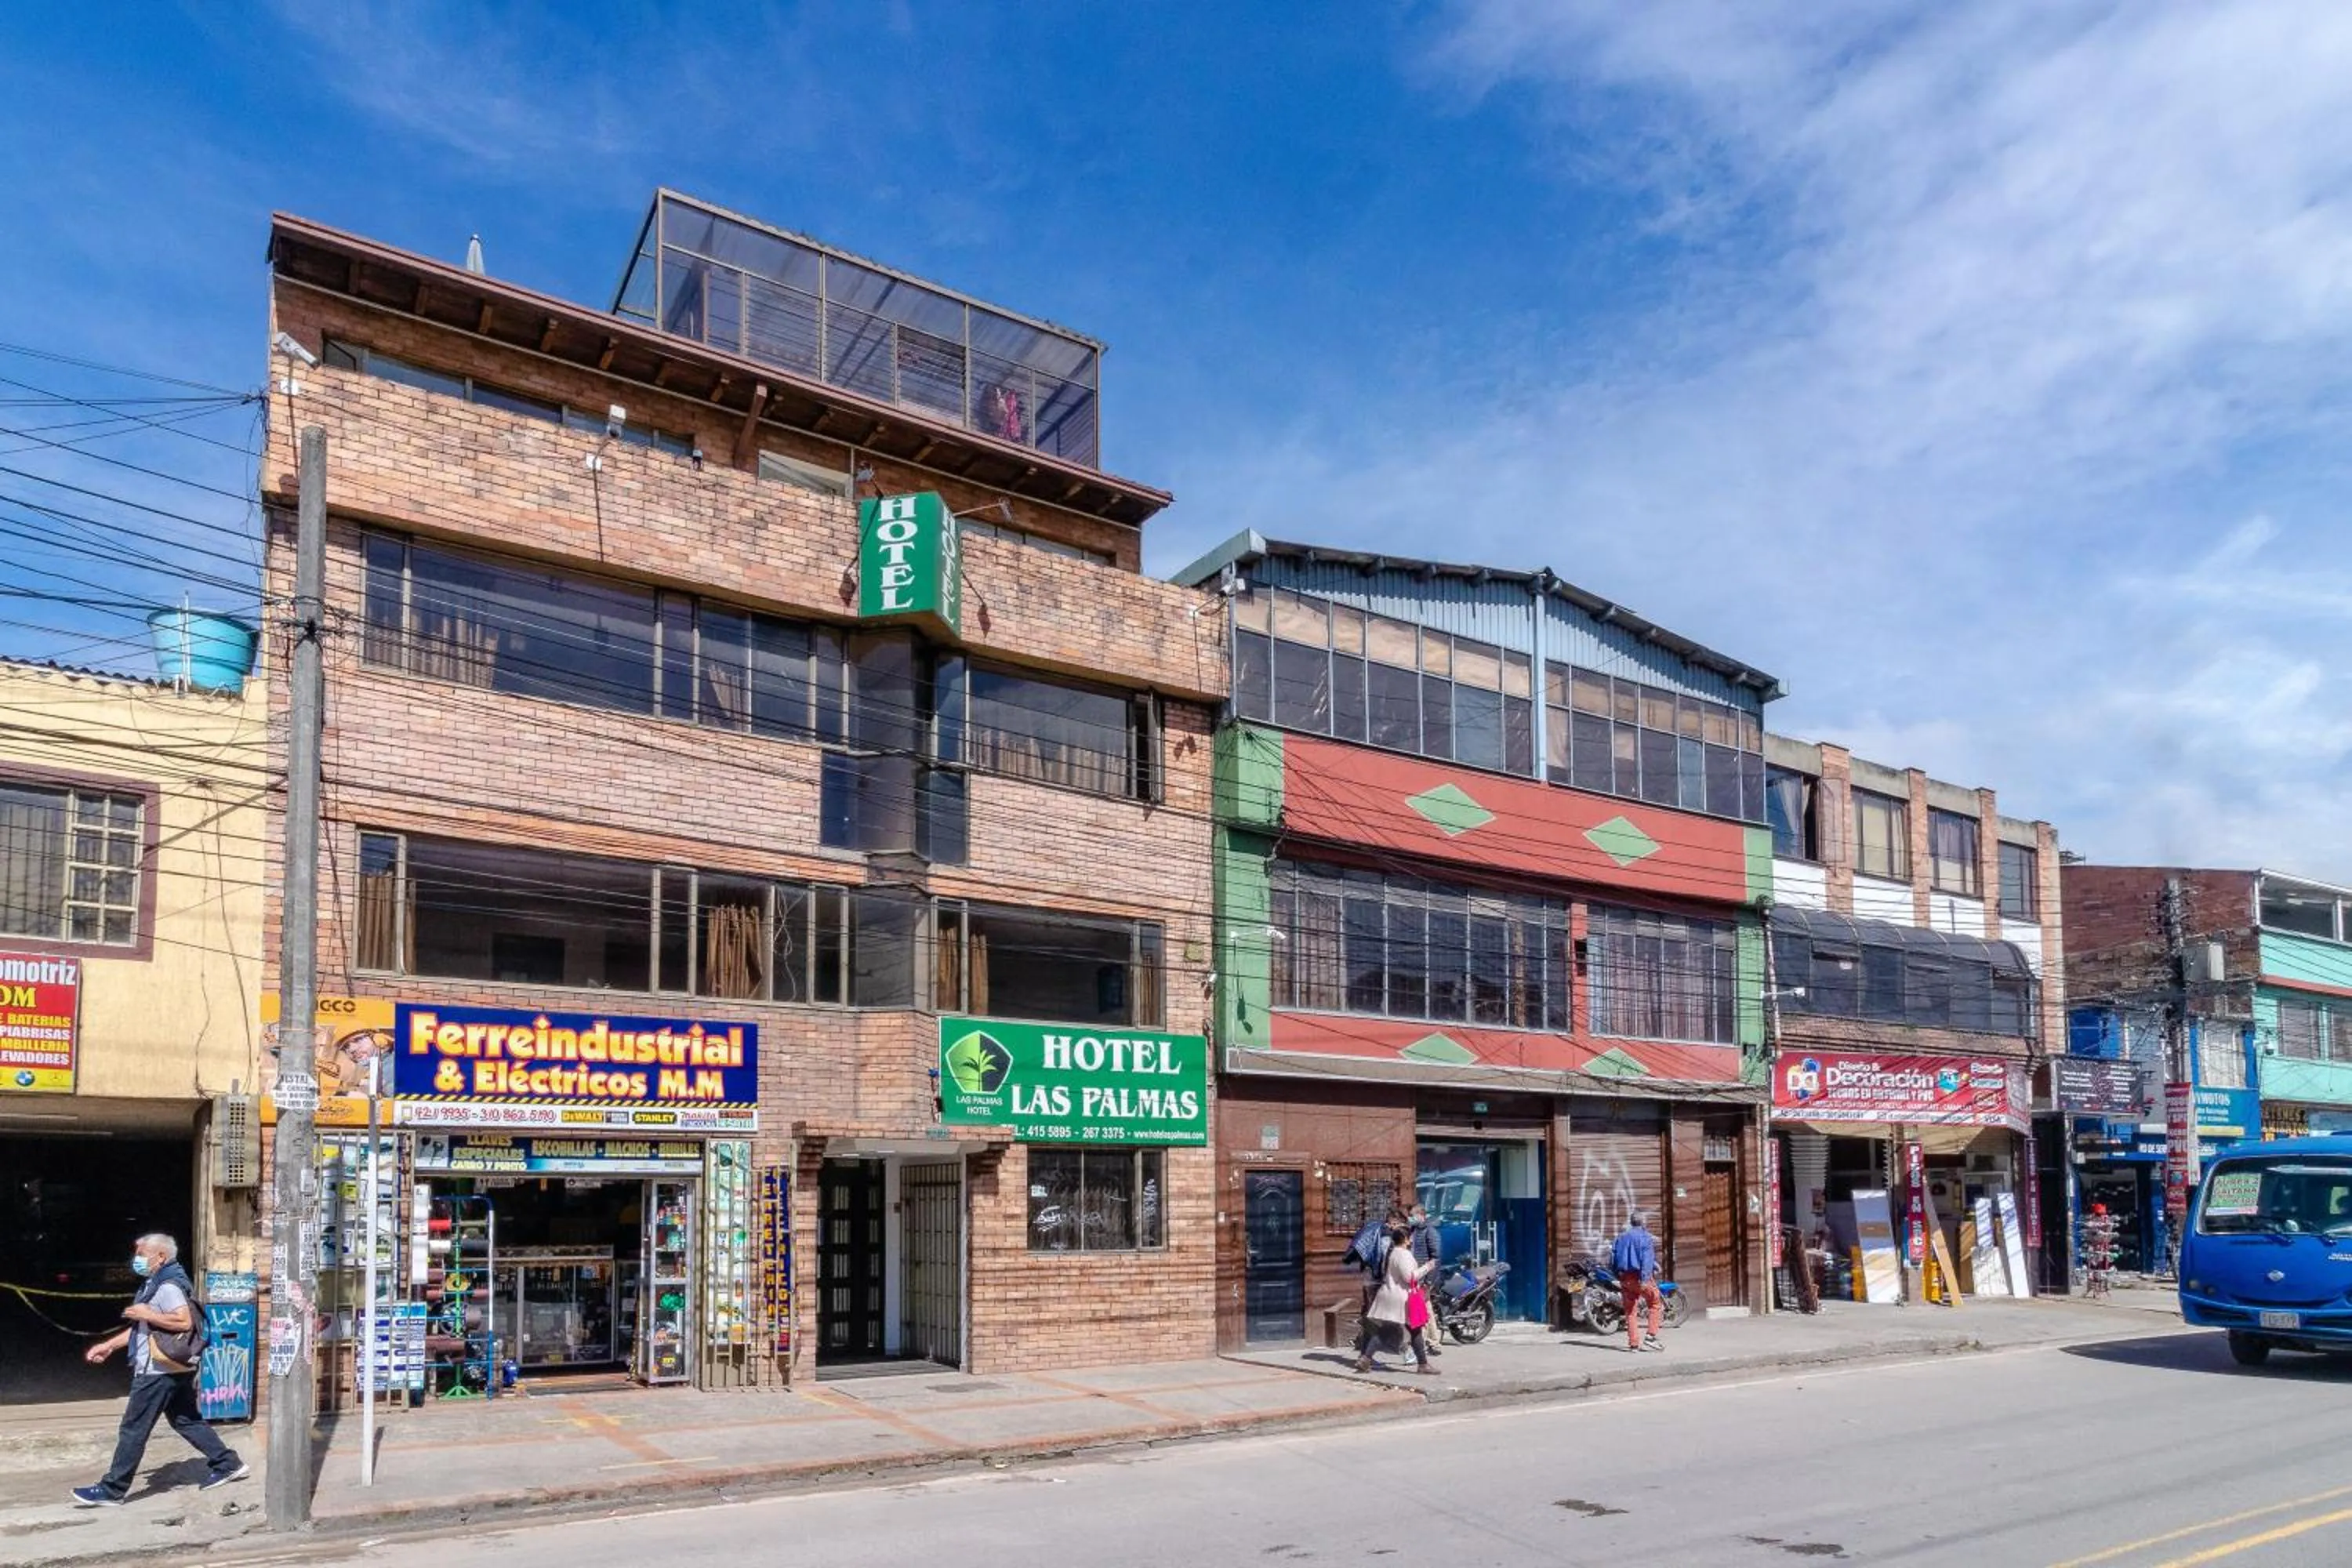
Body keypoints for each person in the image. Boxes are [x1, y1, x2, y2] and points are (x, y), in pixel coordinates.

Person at [71, 1233, 246, 1507]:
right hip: (170, 1368)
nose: (137, 1260)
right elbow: (144, 1330)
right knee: (186, 1420)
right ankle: (228, 1463)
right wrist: (109, 1345)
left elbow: (183, 1322)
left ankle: (113, 1489)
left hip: (157, 1371)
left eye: (142, 1254)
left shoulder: (167, 1286)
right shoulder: (158, 1283)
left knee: (133, 1428)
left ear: (161, 1256)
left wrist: (147, 1314)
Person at [1352, 1221, 1436, 1376]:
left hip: (1391, 1296)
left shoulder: (1394, 1253)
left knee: (1412, 1330)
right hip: (1399, 1299)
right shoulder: (1403, 1254)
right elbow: (1409, 1277)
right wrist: (1427, 1267)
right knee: (1389, 1332)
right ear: (1405, 1239)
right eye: (1409, 1237)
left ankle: (1423, 1364)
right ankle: (1366, 1358)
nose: (1411, 1240)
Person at [1611, 1211, 1665, 1354]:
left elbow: (1613, 1260)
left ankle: (1634, 1344)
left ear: (1631, 1222)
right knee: (1655, 1304)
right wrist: (1644, 1279)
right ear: (1643, 1222)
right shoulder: (1645, 1237)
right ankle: (1651, 1337)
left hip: (1625, 1279)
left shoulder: (1621, 1238)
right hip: (1640, 1277)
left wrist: (1619, 1277)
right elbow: (1646, 1260)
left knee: (1630, 1311)